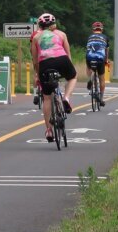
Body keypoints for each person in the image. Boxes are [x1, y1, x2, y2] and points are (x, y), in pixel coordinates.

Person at [30, 12, 77, 141]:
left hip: (45, 64)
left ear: (40, 25)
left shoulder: (36, 38)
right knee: (73, 77)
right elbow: (68, 54)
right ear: (54, 24)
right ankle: (66, 98)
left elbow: (35, 60)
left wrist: (38, 75)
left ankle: (49, 131)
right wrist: (69, 67)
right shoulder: (61, 34)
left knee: (47, 98)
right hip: (62, 60)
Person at [85, 21, 109, 106]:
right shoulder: (105, 37)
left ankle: (90, 79)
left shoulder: (90, 37)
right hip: (100, 58)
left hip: (89, 57)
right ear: (101, 29)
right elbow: (106, 51)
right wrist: (106, 60)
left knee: (88, 66)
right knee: (102, 79)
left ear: (93, 30)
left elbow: (88, 48)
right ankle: (101, 99)